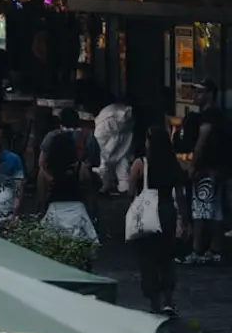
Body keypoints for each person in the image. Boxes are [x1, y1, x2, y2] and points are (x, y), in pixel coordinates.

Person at [129, 126, 190, 315]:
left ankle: (154, 301)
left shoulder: (140, 164)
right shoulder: (173, 164)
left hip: (147, 212)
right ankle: (168, 299)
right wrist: (186, 220)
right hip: (166, 211)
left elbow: (131, 191)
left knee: (147, 257)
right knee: (166, 256)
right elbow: (180, 194)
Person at [179, 79, 227, 265]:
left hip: (207, 169)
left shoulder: (209, 116)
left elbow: (202, 142)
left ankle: (198, 249)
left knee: (200, 209)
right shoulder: (215, 115)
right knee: (214, 210)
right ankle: (215, 248)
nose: (195, 96)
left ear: (209, 94)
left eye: (199, 92)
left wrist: (193, 165)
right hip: (215, 168)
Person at [38, 107, 101, 213]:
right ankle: (92, 213)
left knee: (41, 174)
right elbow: (96, 162)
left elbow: (41, 162)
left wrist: (48, 175)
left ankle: (41, 209)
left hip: (55, 176)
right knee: (89, 178)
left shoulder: (52, 136)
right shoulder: (88, 136)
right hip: (80, 176)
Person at [40, 131, 98, 242]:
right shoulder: (80, 167)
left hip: (55, 207)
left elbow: (41, 193)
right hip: (77, 207)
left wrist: (42, 208)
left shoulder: (47, 170)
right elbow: (89, 189)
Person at [93, 96, 135, 195]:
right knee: (122, 161)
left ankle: (106, 185)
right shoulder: (123, 113)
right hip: (124, 132)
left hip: (109, 130)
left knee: (105, 161)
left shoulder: (106, 115)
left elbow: (103, 149)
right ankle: (123, 186)